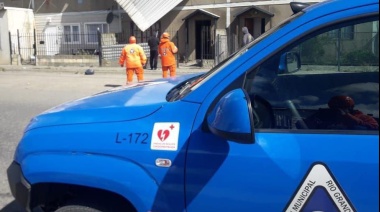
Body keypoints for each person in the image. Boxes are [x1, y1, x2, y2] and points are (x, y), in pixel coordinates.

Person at [303, 95, 379, 130]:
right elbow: (301, 125)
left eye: (342, 108)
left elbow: (374, 129)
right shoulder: (326, 117)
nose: (337, 111)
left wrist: (347, 117)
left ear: (351, 107)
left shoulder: (364, 118)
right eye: (334, 108)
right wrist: (316, 117)